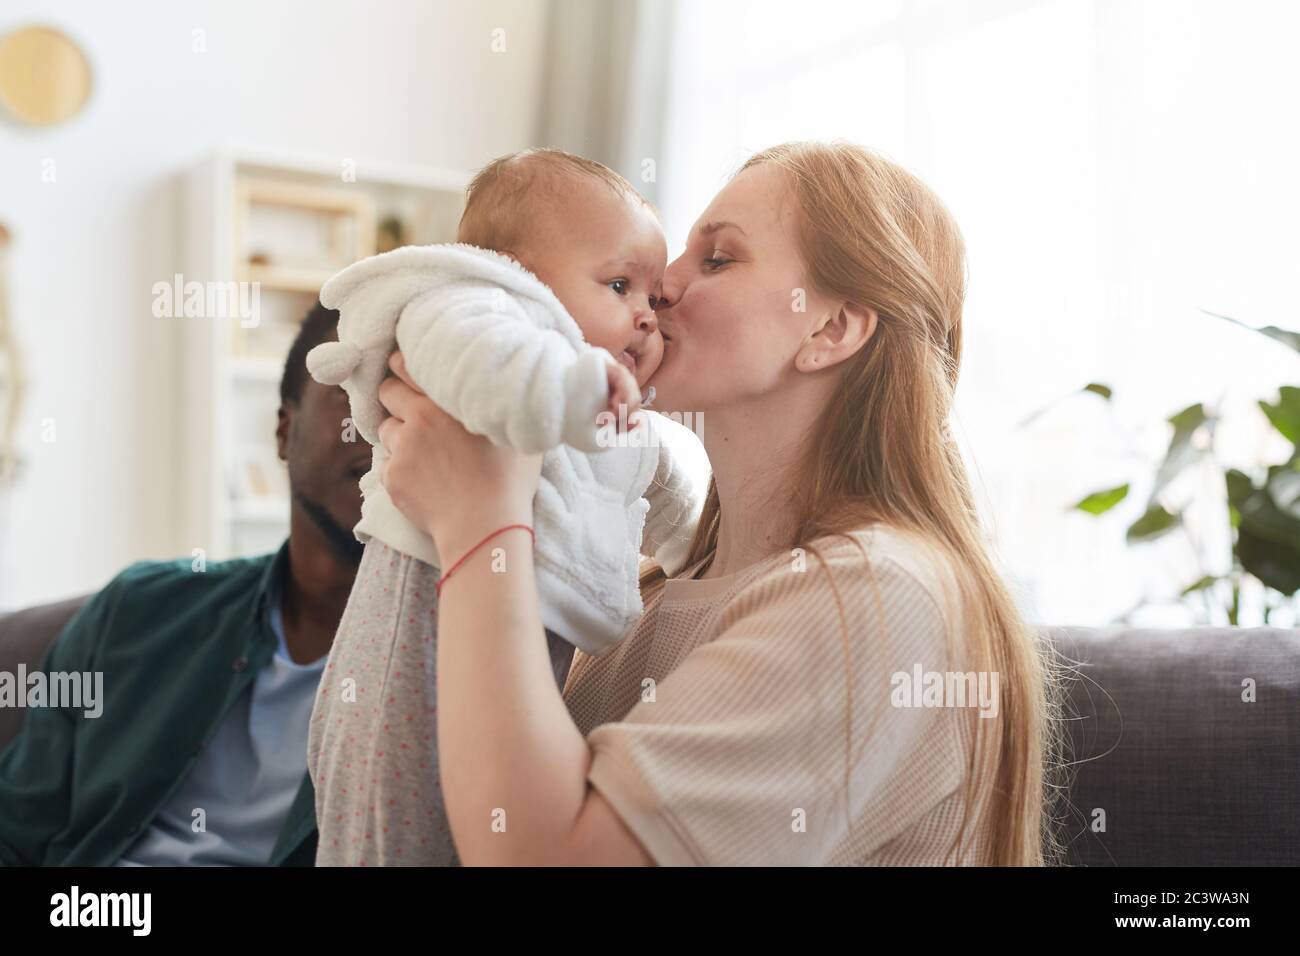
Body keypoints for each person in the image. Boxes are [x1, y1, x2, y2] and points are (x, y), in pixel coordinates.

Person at [370, 142, 1062, 866]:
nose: (661, 284)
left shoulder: (876, 600)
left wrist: (478, 519)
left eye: (718, 259)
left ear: (829, 329)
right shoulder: (650, 593)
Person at [307, 148, 701, 866]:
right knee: (391, 831)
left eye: (653, 298)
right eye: (619, 285)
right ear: (518, 273)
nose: (646, 318)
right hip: (412, 635)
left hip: (520, 643)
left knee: (465, 829)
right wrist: (570, 390)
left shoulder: (617, 416)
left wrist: (700, 547)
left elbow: (672, 494)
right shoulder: (469, 307)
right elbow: (491, 368)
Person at [0, 303, 364, 866]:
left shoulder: (450, 673)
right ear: (284, 431)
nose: (380, 421)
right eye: (350, 386)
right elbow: (16, 826)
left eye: (407, 397)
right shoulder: (139, 610)